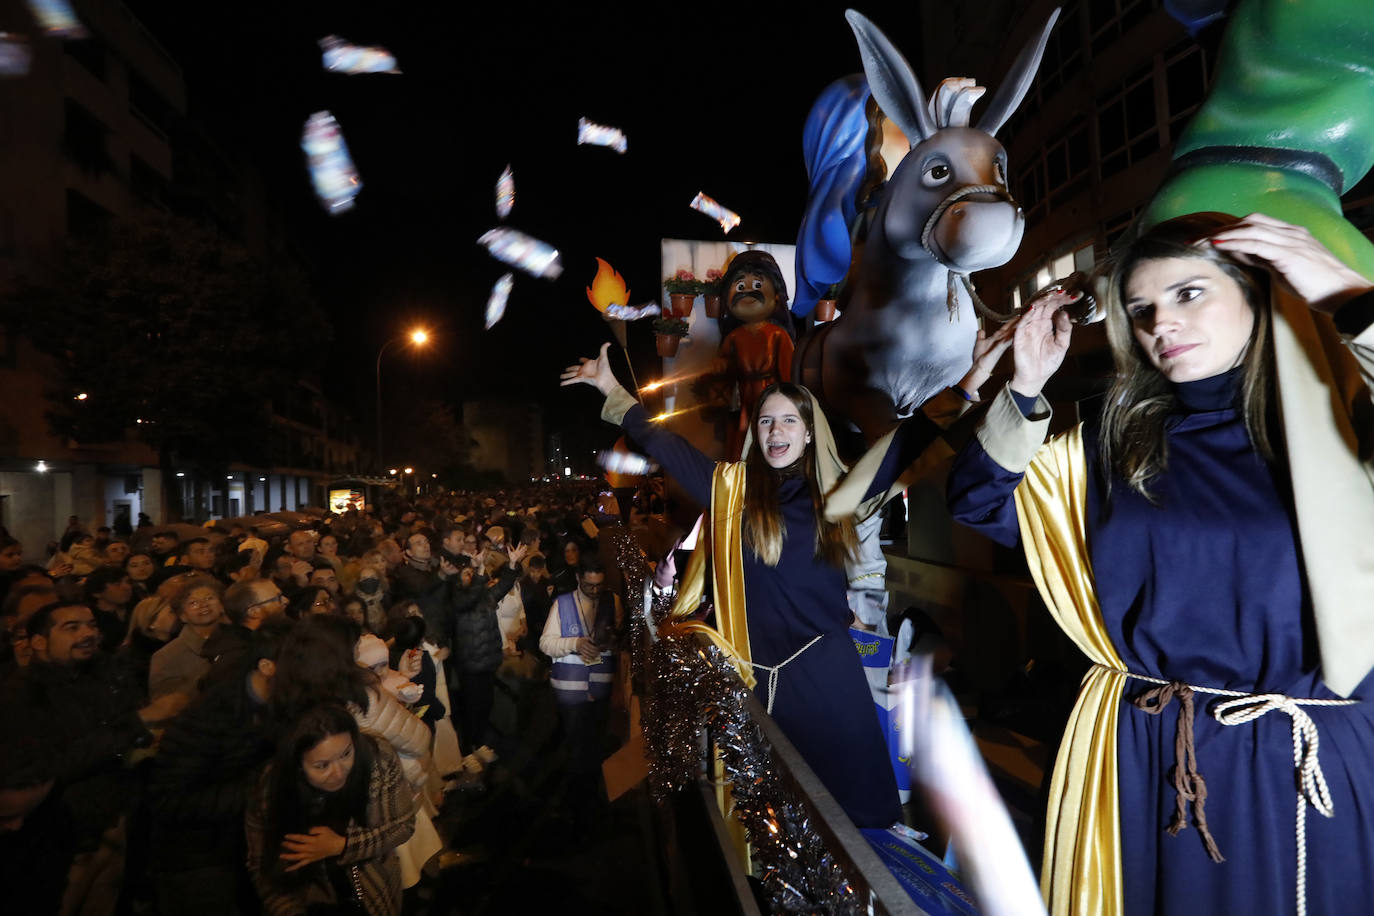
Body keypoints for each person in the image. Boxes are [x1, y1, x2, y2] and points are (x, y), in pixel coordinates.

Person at [946, 212, 1374, 915]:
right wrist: (1025, 389)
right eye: (1141, 308)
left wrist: (1345, 296)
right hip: (1140, 747)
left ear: (1259, 294)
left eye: (1188, 293)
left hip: (1295, 759)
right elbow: (979, 500)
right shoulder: (1117, 442)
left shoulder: (1340, 425)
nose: (1158, 323)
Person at [561, 338, 990, 828]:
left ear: (809, 433)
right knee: (768, 828)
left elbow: (904, 448)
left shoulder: (837, 495)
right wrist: (611, 388)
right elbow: (667, 446)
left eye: (790, 420)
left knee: (852, 820)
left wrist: (967, 385)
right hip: (752, 680)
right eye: (766, 420)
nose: (776, 430)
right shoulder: (730, 491)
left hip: (825, 677)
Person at [148, 618, 292, 916]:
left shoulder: (284, 706)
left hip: (248, 850)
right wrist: (258, 792)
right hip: (202, 860)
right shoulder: (211, 714)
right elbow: (168, 798)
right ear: (268, 667)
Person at [244, 703, 416, 916]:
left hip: (375, 892)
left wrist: (343, 846)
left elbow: (403, 825)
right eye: (322, 766)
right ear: (298, 765)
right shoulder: (271, 788)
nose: (338, 772)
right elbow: (262, 866)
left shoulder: (377, 757)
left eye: (346, 754)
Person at [539, 559, 623, 819]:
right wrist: (575, 643)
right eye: (589, 585)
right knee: (575, 744)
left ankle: (590, 799)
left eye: (599, 586)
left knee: (595, 744)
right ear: (578, 579)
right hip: (570, 689)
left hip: (600, 688)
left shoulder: (613, 602)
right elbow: (545, 644)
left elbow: (620, 636)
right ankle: (574, 802)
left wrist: (611, 642)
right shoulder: (562, 604)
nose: (595, 591)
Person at [148, 579, 224, 704]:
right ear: (182, 615)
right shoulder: (166, 656)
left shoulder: (239, 639)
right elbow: (165, 706)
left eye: (209, 598)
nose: (203, 605)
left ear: (222, 605)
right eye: (193, 603)